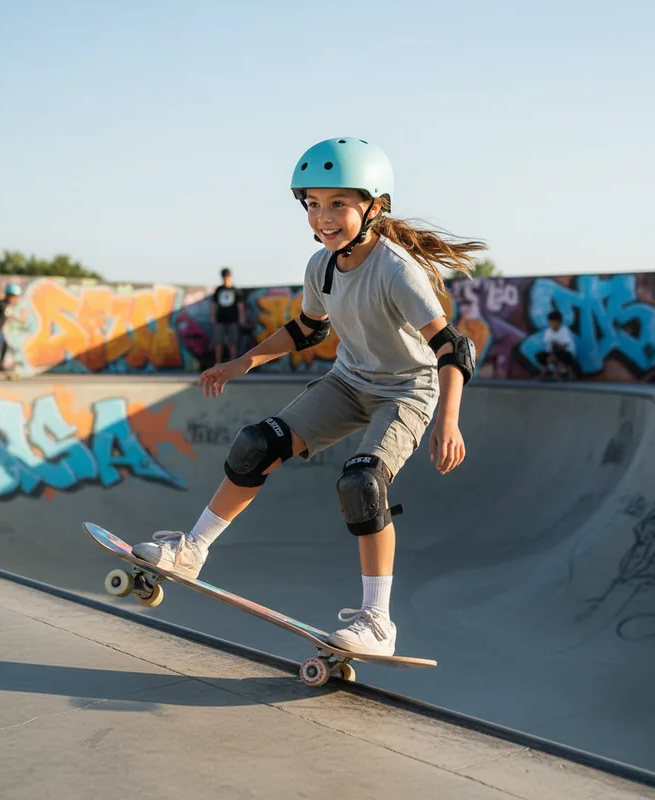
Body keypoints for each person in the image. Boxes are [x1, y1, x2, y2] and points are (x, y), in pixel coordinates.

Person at [133, 137, 485, 655]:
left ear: (375, 206)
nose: (323, 217)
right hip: (347, 383)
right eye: (313, 204)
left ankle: (377, 621)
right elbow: (305, 330)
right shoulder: (320, 266)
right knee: (257, 444)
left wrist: (448, 420)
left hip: (406, 392)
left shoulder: (396, 270)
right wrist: (242, 361)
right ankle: (192, 550)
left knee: (362, 483)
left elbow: (453, 348)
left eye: (338, 204)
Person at [211, 268, 245, 363]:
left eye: (227, 277)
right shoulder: (219, 290)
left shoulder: (235, 290)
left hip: (232, 319)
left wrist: (241, 317)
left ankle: (232, 361)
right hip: (220, 319)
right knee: (218, 341)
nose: (226, 279)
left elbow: (240, 305)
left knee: (233, 341)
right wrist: (213, 316)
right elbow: (214, 304)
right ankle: (218, 362)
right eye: (224, 277)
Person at [536, 311, 578, 380]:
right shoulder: (548, 331)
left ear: (559, 322)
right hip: (552, 353)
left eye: (553, 322)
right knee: (540, 355)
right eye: (550, 322)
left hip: (565, 353)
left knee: (559, 354)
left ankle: (566, 373)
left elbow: (565, 345)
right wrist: (550, 356)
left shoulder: (564, 330)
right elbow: (548, 343)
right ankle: (545, 373)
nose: (552, 324)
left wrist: (553, 355)